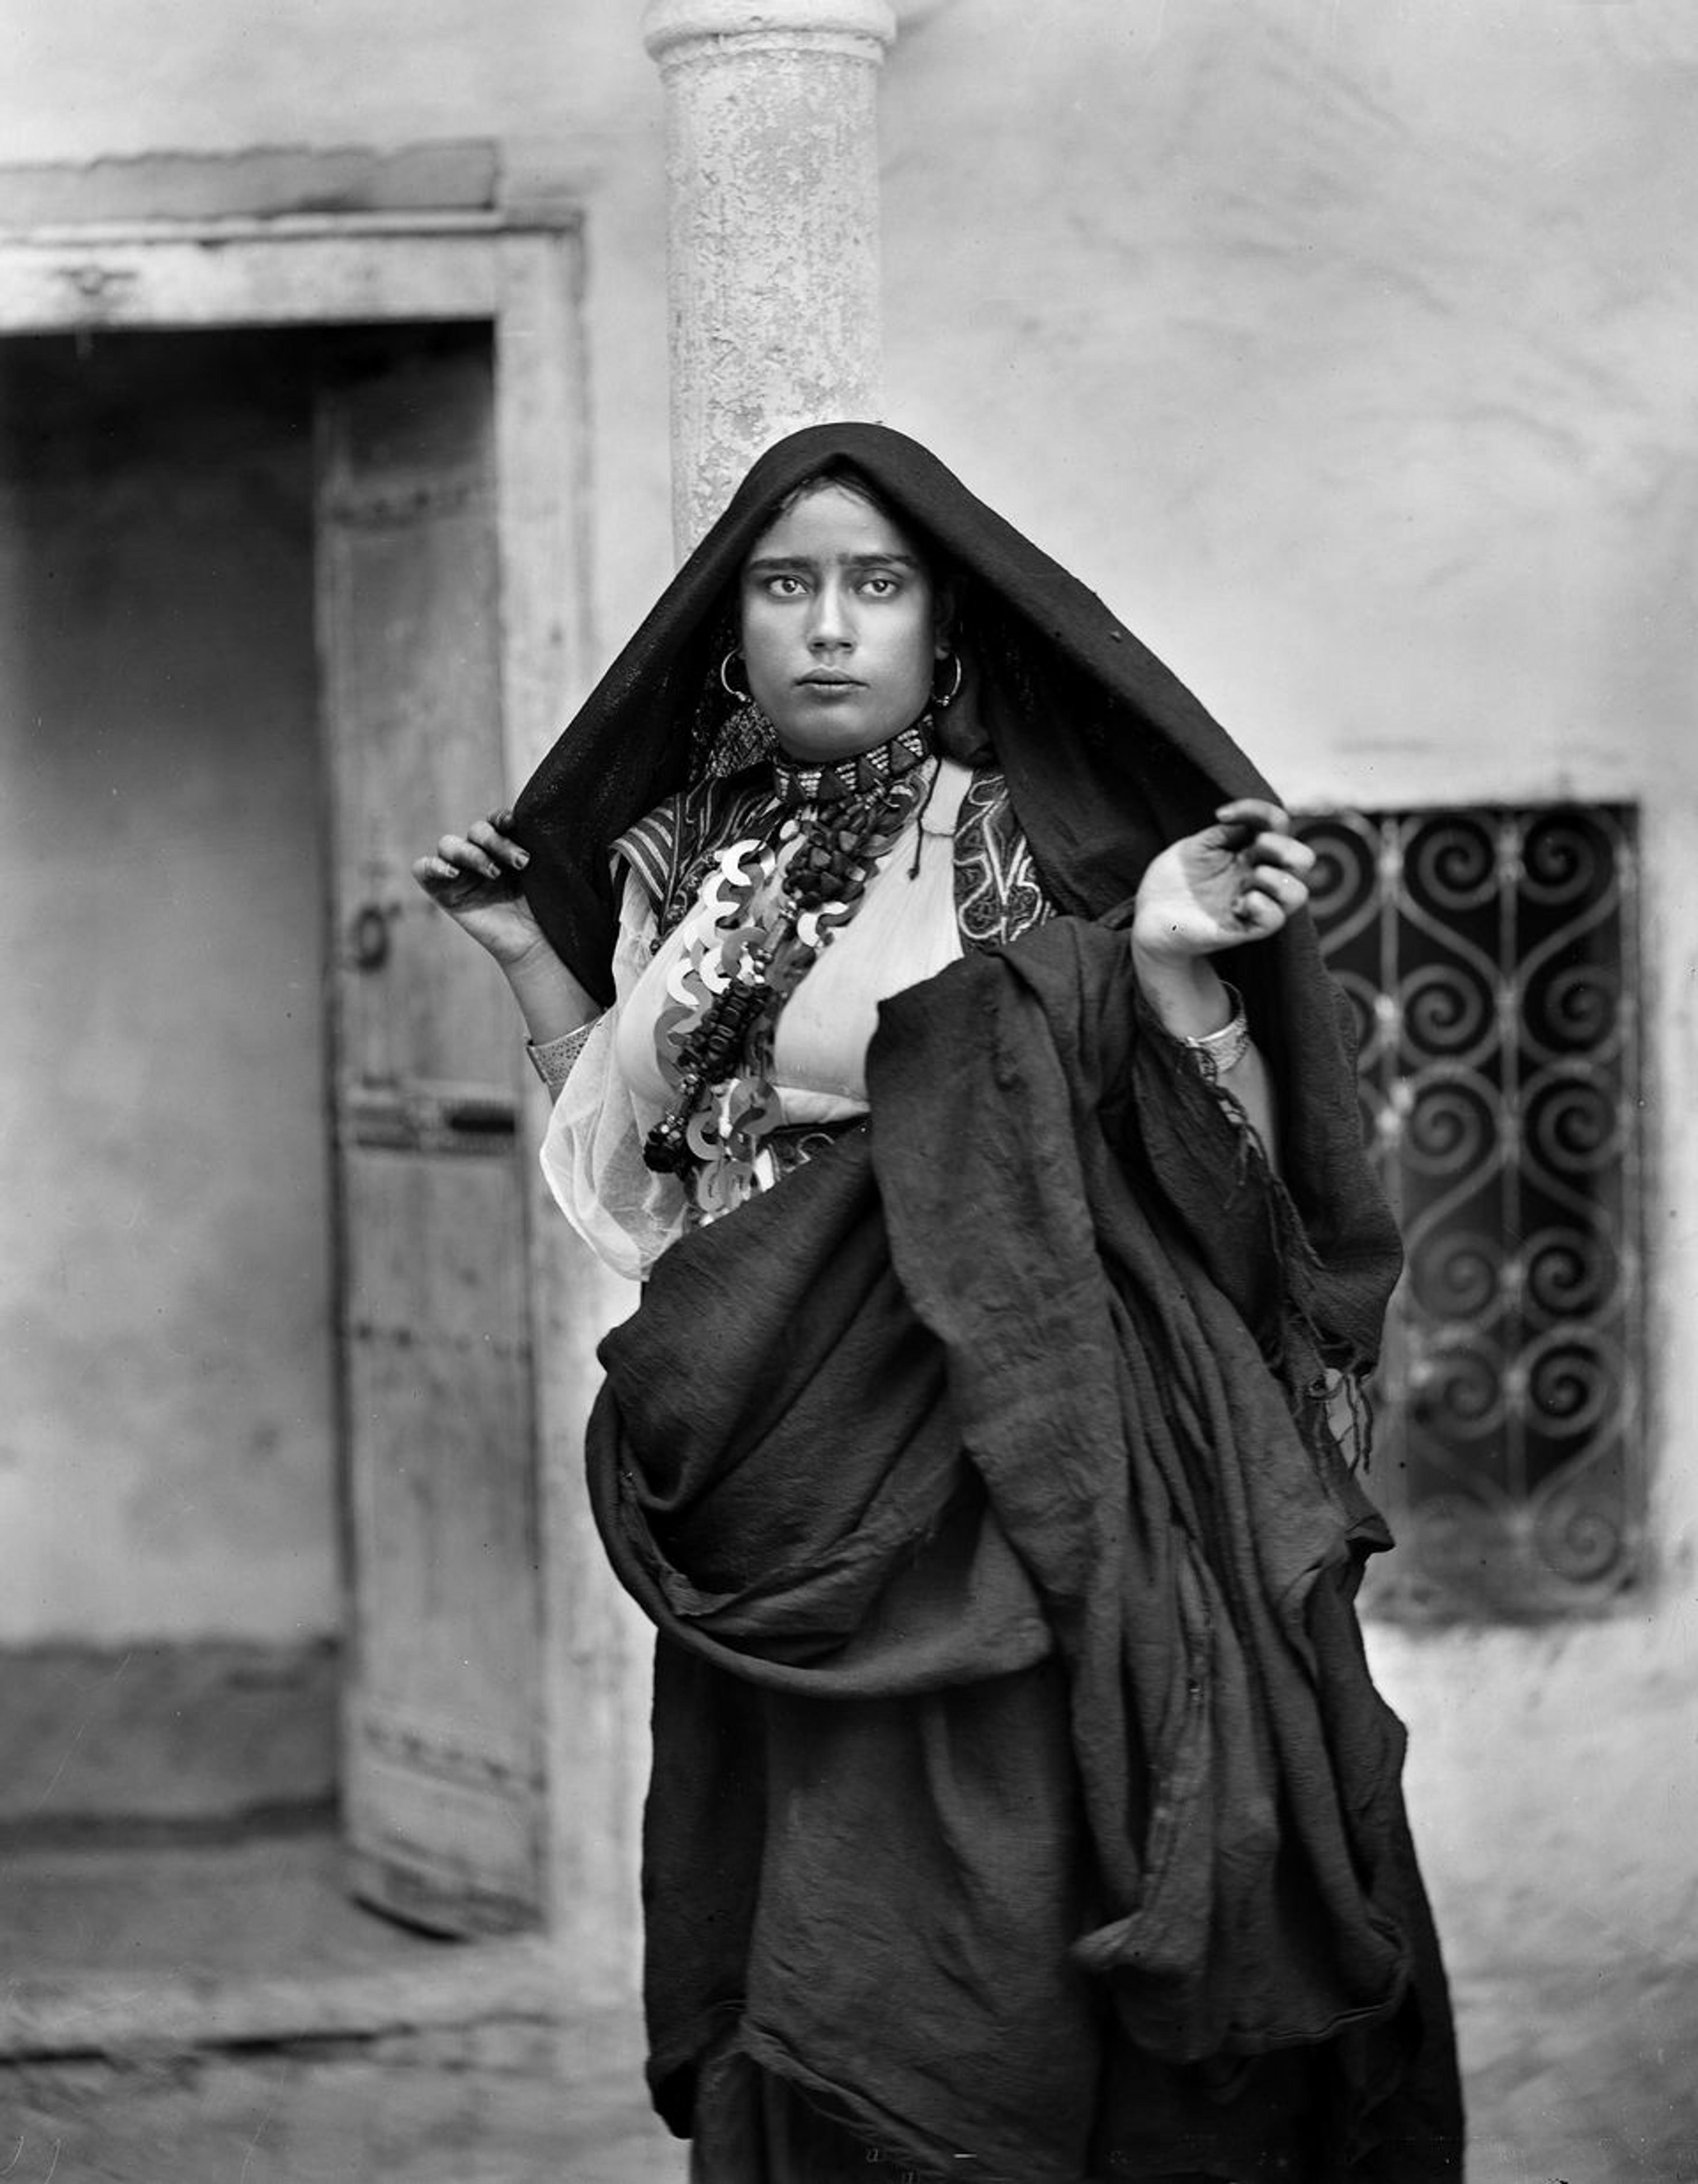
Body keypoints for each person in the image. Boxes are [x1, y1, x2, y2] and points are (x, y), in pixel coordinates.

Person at [414, 423, 1464, 2184]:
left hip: (1001, 1477)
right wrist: (530, 951)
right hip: (772, 1462)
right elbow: (655, 1170)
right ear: (732, 626)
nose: (829, 622)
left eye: (874, 585)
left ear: (940, 627)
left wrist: (1163, 961)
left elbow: (1204, 1169)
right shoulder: (700, 862)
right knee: (802, 1919)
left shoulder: (1010, 849)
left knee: (991, 1915)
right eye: (787, 583)